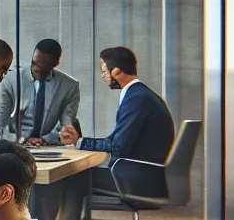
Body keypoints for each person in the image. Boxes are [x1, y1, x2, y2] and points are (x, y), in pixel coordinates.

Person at [61, 45, 176, 199]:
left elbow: (118, 146)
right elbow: (117, 141)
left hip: (142, 181)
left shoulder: (136, 99)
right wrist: (80, 141)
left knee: (70, 175)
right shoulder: (141, 95)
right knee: (78, 174)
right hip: (149, 176)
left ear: (116, 72)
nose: (103, 75)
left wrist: (80, 141)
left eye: (104, 70)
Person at [18, 38, 82, 146]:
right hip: (17, 144)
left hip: (50, 145)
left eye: (42, 66)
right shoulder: (15, 79)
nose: (36, 69)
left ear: (56, 63)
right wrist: (25, 138)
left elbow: (66, 124)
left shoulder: (69, 86)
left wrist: (45, 139)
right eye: (34, 62)